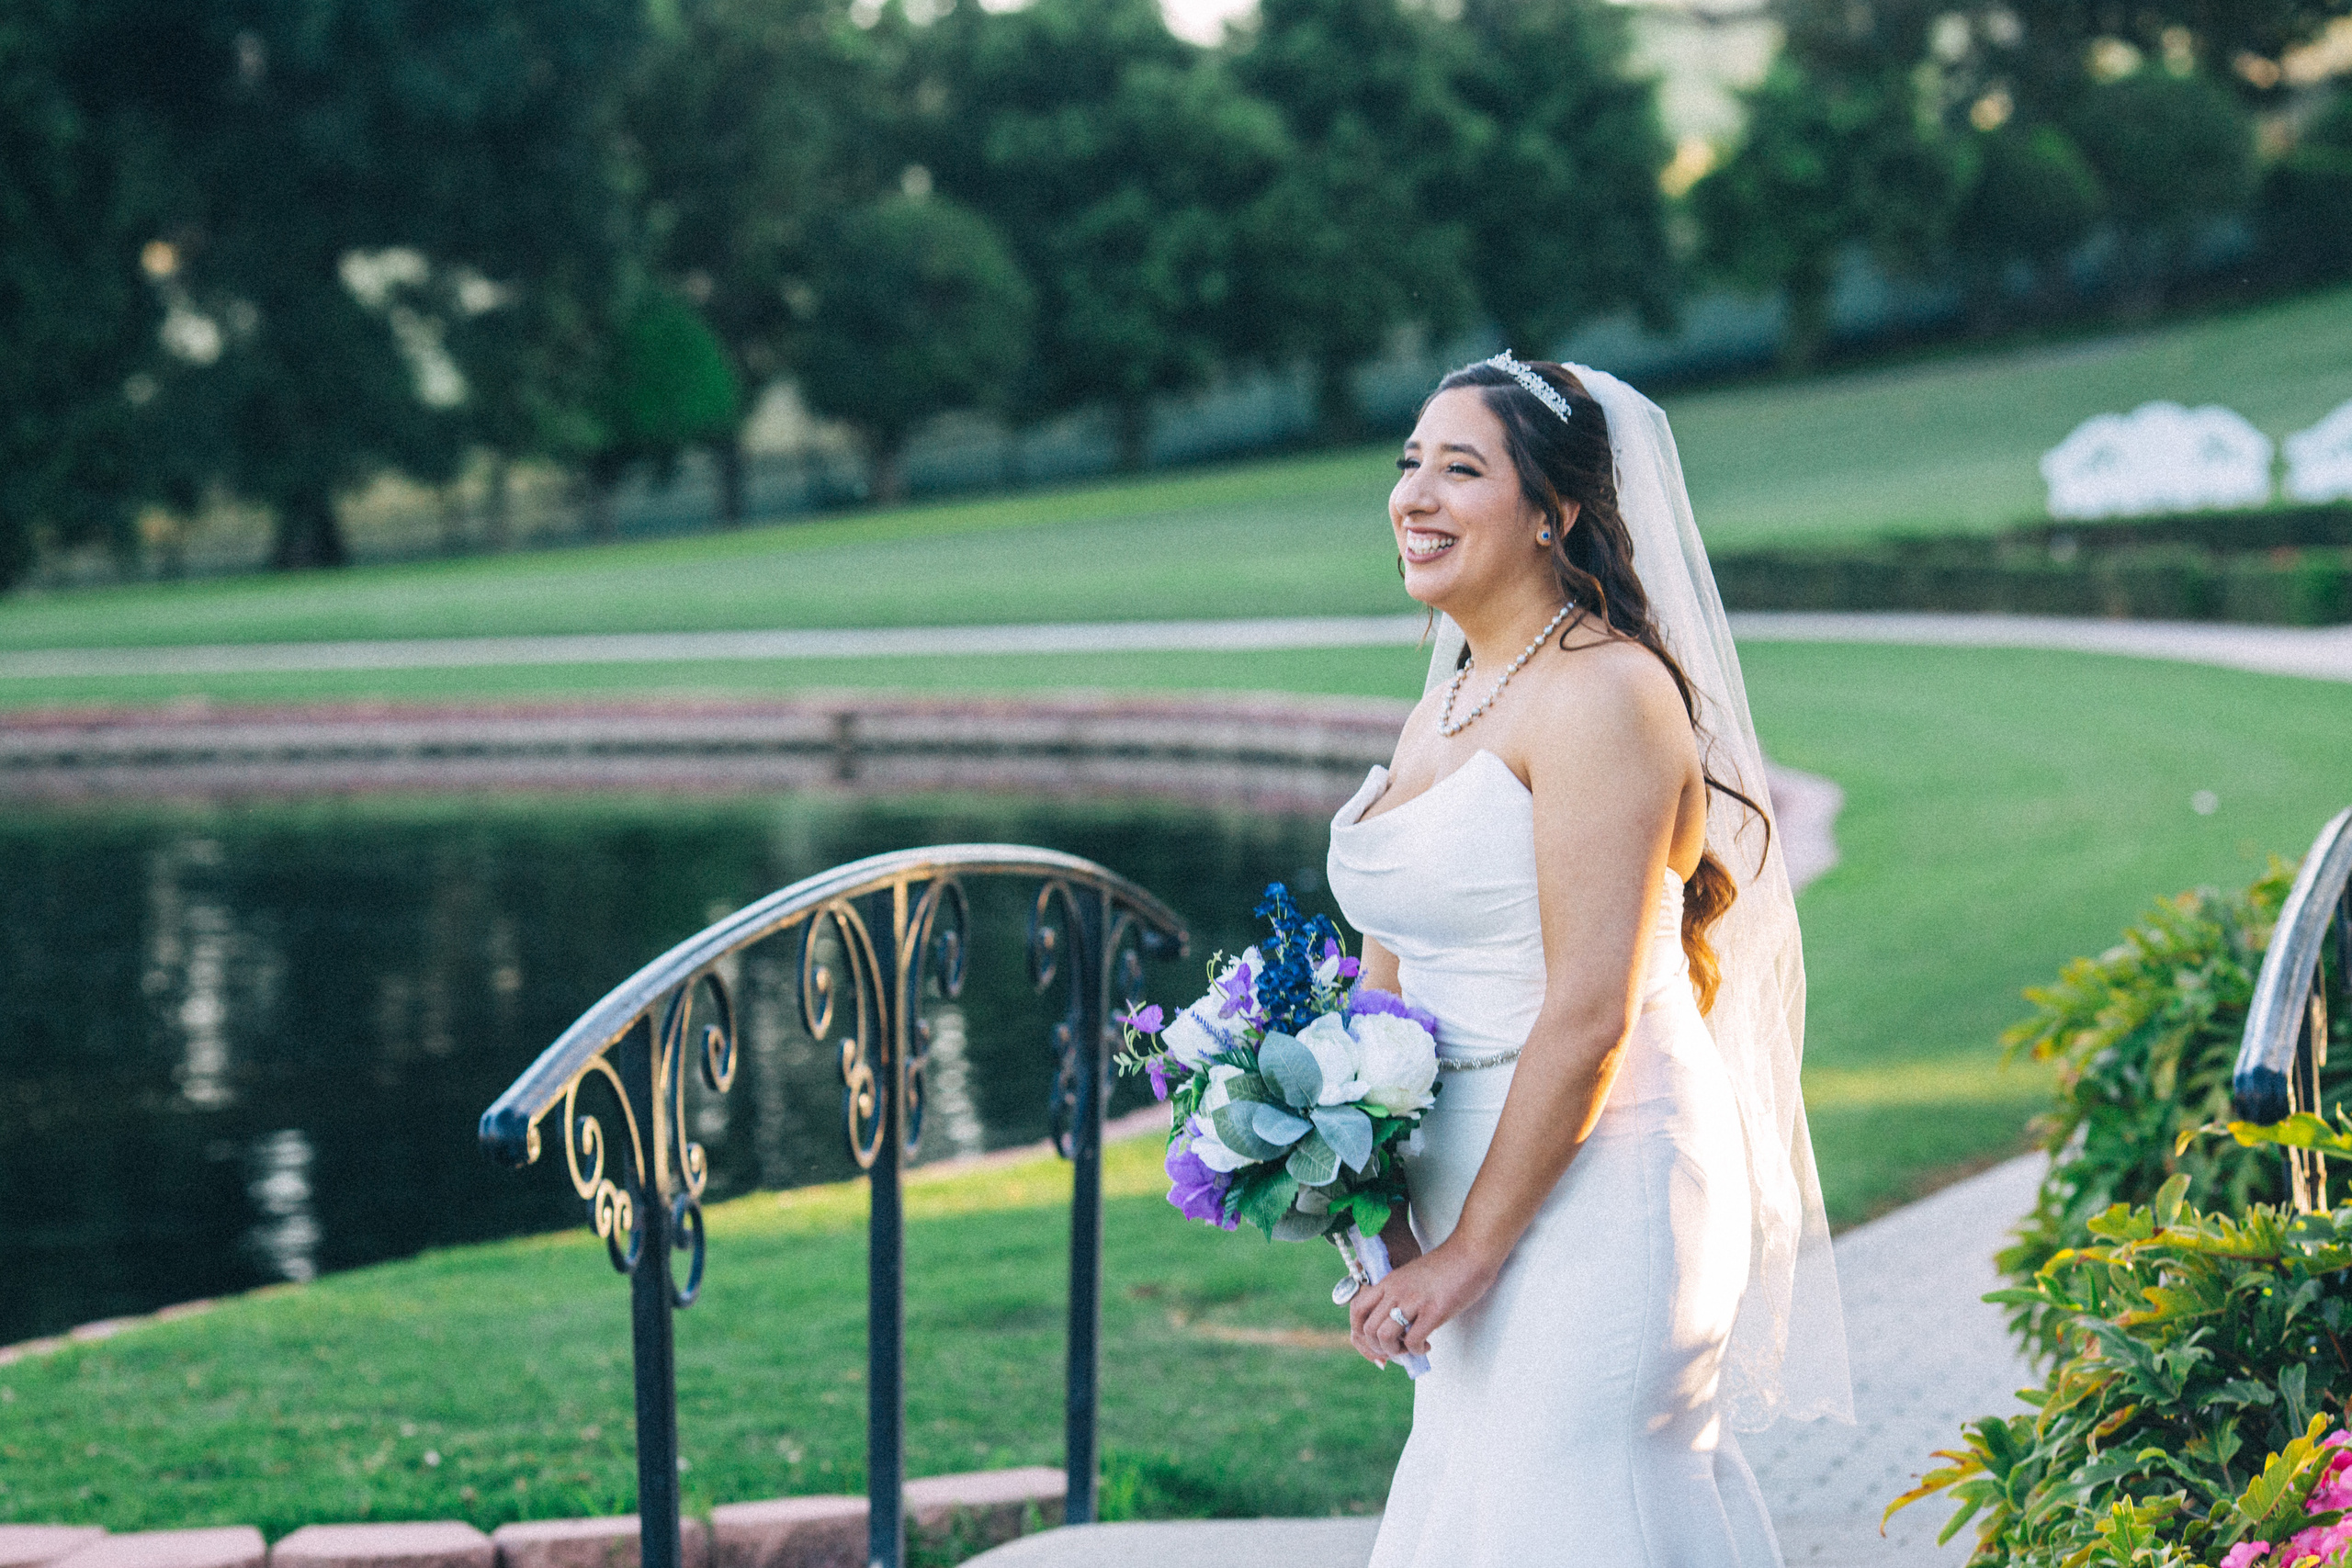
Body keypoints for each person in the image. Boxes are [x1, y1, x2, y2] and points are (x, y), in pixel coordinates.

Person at [1326, 355, 1851, 1566]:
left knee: (1573, 1514)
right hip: (1463, 1194)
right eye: (1411, 462)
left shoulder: (1606, 696)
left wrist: (1471, 1251)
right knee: (1475, 1509)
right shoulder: (1444, 709)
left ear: (1553, 513)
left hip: (1603, 1196)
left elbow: (1587, 1016)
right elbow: (1382, 996)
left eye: (1462, 469)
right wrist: (1371, 1211)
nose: (1415, 495)